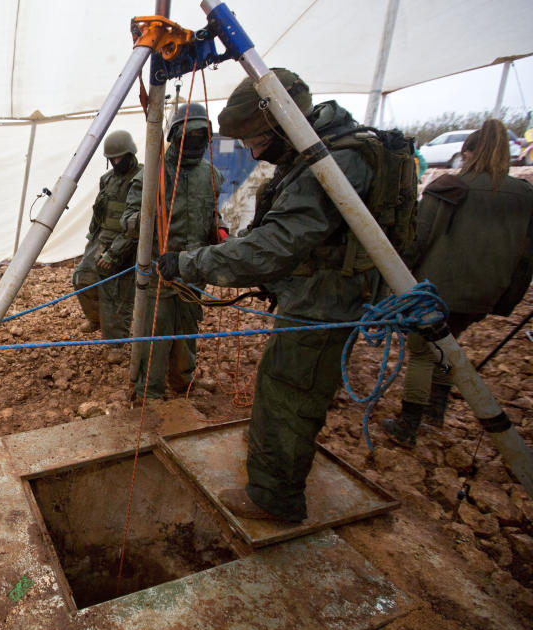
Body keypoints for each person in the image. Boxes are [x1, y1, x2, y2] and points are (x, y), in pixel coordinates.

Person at [156, 69, 412, 523]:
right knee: (290, 387)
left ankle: (274, 498)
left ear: (277, 125)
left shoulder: (334, 163)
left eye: (255, 141)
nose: (254, 152)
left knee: (288, 392)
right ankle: (275, 463)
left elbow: (274, 246)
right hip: (319, 297)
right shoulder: (321, 153)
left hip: (324, 305)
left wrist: (188, 263)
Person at [382, 119, 533, 447]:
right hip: (484, 293)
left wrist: (395, 281)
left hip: (437, 291)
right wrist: (508, 298)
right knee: (448, 345)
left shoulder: (451, 186)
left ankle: (408, 425)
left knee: (422, 351)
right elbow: (526, 256)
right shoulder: (524, 194)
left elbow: (417, 239)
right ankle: (436, 412)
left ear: (467, 152)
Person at [120, 103, 224, 397]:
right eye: (189, 135)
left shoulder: (211, 175)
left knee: (188, 327)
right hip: (159, 272)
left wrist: (221, 229)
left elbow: (214, 213)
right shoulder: (151, 175)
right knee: (156, 332)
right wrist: (148, 216)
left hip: (193, 270)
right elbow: (127, 222)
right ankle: (148, 391)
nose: (195, 141)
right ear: (175, 135)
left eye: (201, 136)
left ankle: (183, 380)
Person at [72, 130, 142, 362]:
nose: (116, 162)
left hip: (128, 241)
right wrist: (92, 239)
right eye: (112, 159)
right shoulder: (108, 179)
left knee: (117, 292)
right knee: (82, 278)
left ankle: (116, 343)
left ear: (131, 154)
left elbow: (136, 224)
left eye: (120, 158)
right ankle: (97, 318)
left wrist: (115, 252)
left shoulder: (142, 178)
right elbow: (99, 210)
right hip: (102, 238)